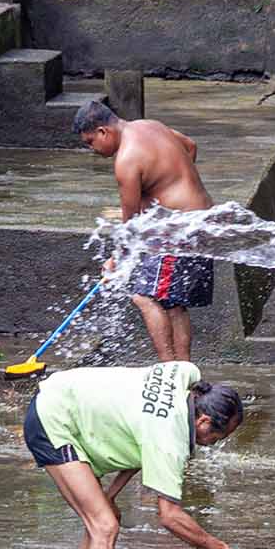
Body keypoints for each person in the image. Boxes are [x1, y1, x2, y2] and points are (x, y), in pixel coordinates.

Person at [23, 360, 247, 549]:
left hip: (67, 396)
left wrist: (110, 494)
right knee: (104, 527)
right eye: (216, 438)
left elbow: (138, 427)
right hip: (54, 420)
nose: (212, 446)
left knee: (99, 523)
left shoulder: (186, 373)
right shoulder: (168, 440)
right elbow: (169, 516)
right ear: (203, 421)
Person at [73, 100, 216, 362]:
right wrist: (171, 187)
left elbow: (131, 224)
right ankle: (181, 372)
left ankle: (169, 370)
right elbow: (190, 145)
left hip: (180, 230)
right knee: (172, 302)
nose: (92, 149)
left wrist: (117, 260)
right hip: (200, 220)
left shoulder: (126, 160)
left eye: (90, 142)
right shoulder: (150, 126)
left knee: (143, 295)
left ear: (104, 132)